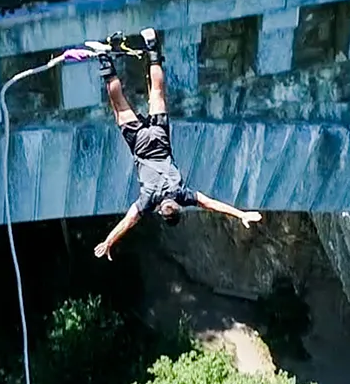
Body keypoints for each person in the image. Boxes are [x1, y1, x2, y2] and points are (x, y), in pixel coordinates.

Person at [92, 28, 262, 258]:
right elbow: (128, 221)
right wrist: (109, 241)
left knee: (158, 94)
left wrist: (240, 214)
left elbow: (212, 204)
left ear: (177, 209)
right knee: (119, 104)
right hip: (140, 144)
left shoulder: (183, 194)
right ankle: (104, 57)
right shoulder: (149, 201)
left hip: (160, 138)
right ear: (162, 213)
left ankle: (151, 44)